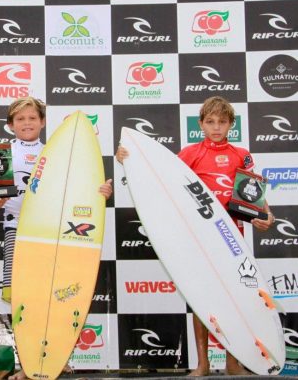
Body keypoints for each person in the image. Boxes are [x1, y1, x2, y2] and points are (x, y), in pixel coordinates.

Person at [116, 95, 274, 376]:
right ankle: (203, 363)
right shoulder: (190, 153)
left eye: (222, 122)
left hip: (232, 239)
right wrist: (127, 158)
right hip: (200, 241)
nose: (216, 128)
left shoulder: (242, 154)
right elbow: (160, 178)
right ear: (201, 124)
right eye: (210, 122)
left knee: (236, 299)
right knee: (201, 299)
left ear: (231, 125)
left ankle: (233, 363)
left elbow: (252, 194)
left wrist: (266, 215)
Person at [0, 96, 113, 380]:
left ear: (42, 122)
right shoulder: (0, 155)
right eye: (20, 119)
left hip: (55, 235)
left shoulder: (57, 154)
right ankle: (27, 363)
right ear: (10, 125)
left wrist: (99, 192)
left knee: (59, 294)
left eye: (32, 118)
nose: (26, 123)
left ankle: (57, 357)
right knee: (21, 298)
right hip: (18, 232)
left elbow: (79, 187)